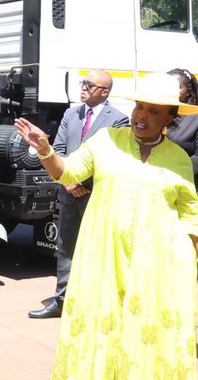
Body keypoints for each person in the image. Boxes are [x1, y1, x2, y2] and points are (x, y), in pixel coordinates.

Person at [14, 73, 198, 380]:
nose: (141, 116)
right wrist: (45, 149)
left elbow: (190, 213)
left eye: (153, 111)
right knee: (112, 326)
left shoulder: (178, 159)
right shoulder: (106, 141)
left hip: (159, 262)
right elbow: (68, 173)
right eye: (139, 106)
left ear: (170, 117)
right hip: (107, 258)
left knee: (149, 332)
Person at [29, 69, 129, 319]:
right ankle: (61, 301)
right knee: (66, 248)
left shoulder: (118, 120)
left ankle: (96, 304)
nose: (83, 87)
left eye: (90, 84)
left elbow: (113, 158)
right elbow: (59, 148)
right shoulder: (70, 114)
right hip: (68, 192)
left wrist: (82, 182)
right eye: (83, 83)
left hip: (96, 195)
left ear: (105, 91)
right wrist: (68, 182)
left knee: (100, 250)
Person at [165, 68, 198, 236]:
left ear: (189, 90)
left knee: (192, 252)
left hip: (193, 191)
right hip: (160, 192)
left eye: (177, 86)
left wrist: (165, 170)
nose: (171, 91)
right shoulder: (156, 114)